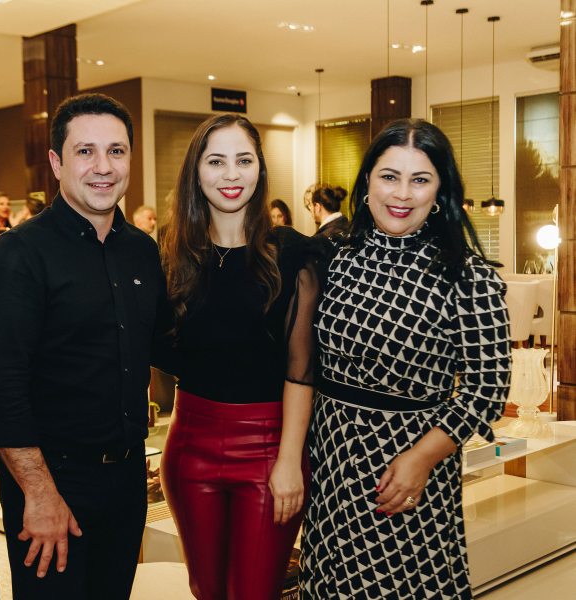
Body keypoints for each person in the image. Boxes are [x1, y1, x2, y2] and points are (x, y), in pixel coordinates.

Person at [302, 119, 511, 599]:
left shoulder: (467, 276)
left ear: (440, 190)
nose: (402, 193)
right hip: (330, 461)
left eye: (420, 179)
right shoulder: (333, 257)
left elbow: (487, 391)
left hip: (407, 469)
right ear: (367, 182)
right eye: (389, 176)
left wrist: (421, 459)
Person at [0, 93, 164, 600]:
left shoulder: (142, 251)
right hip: (51, 482)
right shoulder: (19, 254)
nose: (103, 167)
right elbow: (0, 387)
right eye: (85, 151)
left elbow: (167, 347)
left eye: (116, 151)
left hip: (127, 481)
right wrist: (39, 494)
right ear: (57, 163)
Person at [157, 114, 321, 599]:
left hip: (270, 446)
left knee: (254, 591)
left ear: (260, 169)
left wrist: (289, 460)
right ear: (196, 171)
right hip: (190, 443)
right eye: (216, 161)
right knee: (206, 589)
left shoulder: (292, 254)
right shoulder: (171, 254)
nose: (231, 174)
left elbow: (301, 370)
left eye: (243, 160)